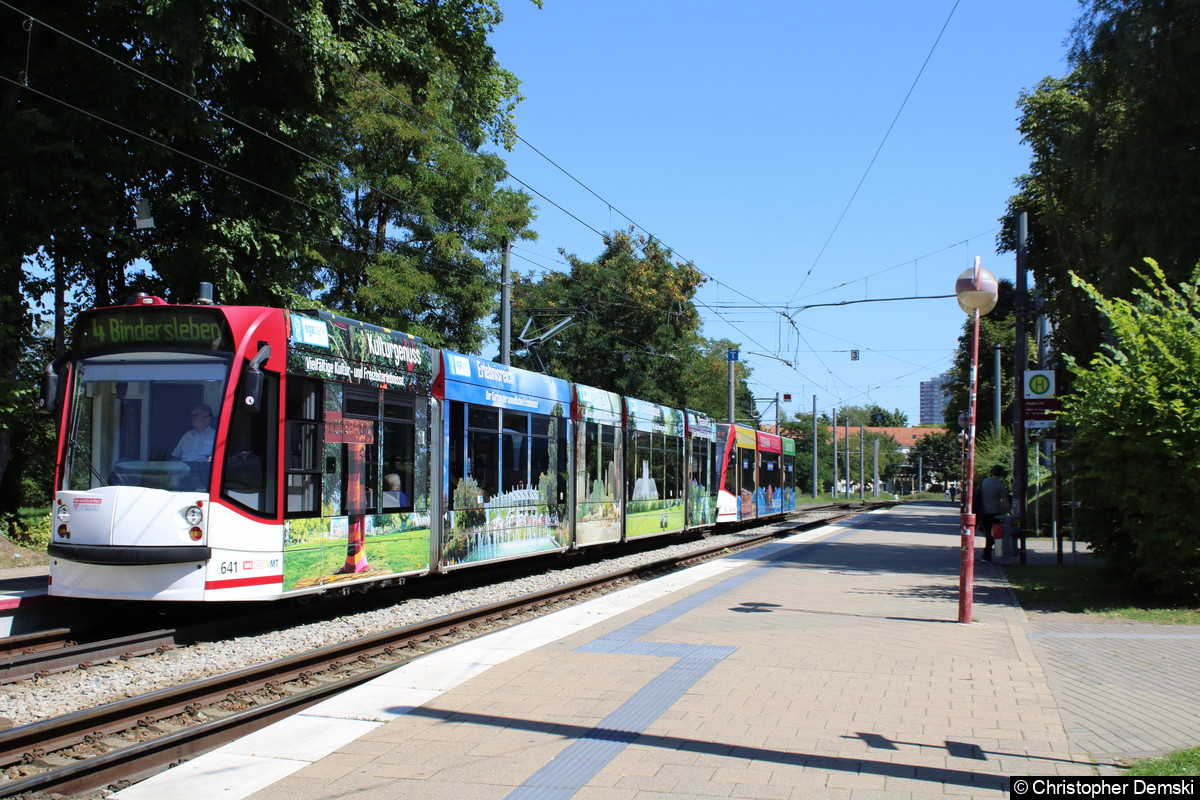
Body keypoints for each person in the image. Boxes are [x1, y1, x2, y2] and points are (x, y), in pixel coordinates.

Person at [978, 465, 1010, 562]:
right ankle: (990, 554)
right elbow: (1004, 500)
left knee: (987, 533)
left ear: (991, 472)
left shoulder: (984, 482)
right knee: (995, 534)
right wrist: (1009, 511)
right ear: (1001, 474)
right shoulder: (1000, 485)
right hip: (995, 513)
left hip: (983, 512)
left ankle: (987, 554)